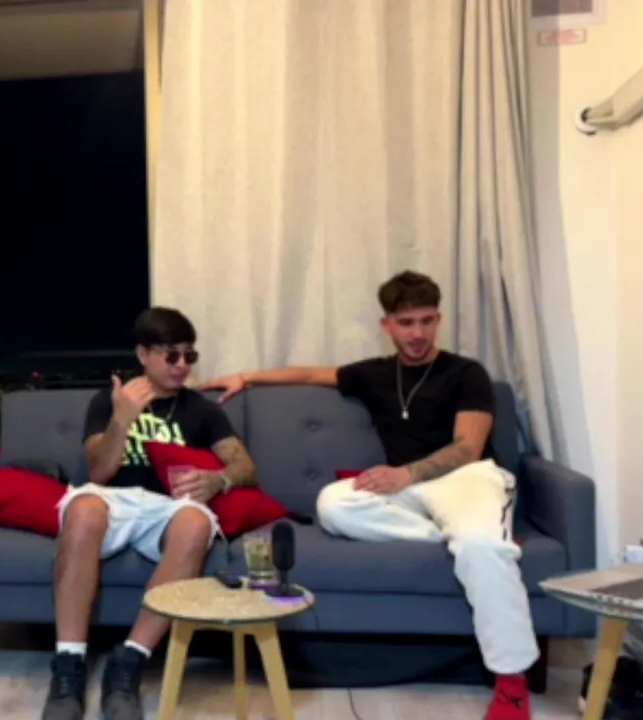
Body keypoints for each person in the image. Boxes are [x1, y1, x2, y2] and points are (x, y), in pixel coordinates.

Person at [199, 271, 538, 720]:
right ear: (387, 325)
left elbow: (467, 448)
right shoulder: (375, 373)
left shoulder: (465, 373)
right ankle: (472, 537)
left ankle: (511, 686)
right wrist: (245, 377)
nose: (417, 333)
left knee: (479, 546)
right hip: (408, 491)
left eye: (427, 321)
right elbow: (308, 373)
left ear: (438, 319)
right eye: (406, 323)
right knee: (333, 503)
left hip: (465, 478)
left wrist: (406, 473)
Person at [43, 307, 259, 720]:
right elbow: (98, 472)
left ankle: (128, 664)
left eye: (189, 356)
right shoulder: (109, 401)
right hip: (113, 499)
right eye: (171, 355)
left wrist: (219, 480)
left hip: (167, 507)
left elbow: (247, 467)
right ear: (143, 355)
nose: (182, 365)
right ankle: (68, 666)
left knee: (196, 523)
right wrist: (122, 420)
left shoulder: (202, 410)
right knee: (84, 510)